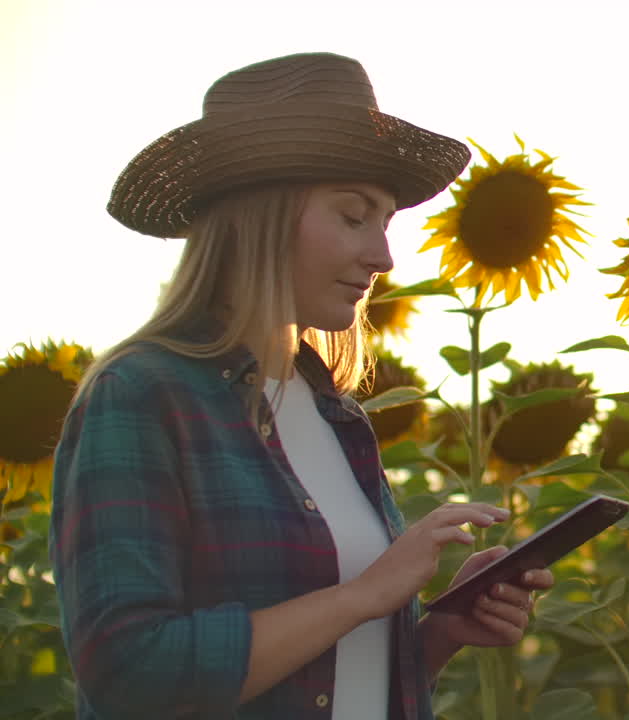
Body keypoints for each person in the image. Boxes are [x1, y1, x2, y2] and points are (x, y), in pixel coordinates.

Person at [49, 52, 552, 719]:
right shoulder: (142, 394)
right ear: (261, 216)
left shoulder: (337, 417)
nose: (383, 258)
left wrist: (441, 632)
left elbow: (343, 682)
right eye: (353, 217)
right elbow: (129, 672)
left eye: (385, 223)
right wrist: (366, 594)